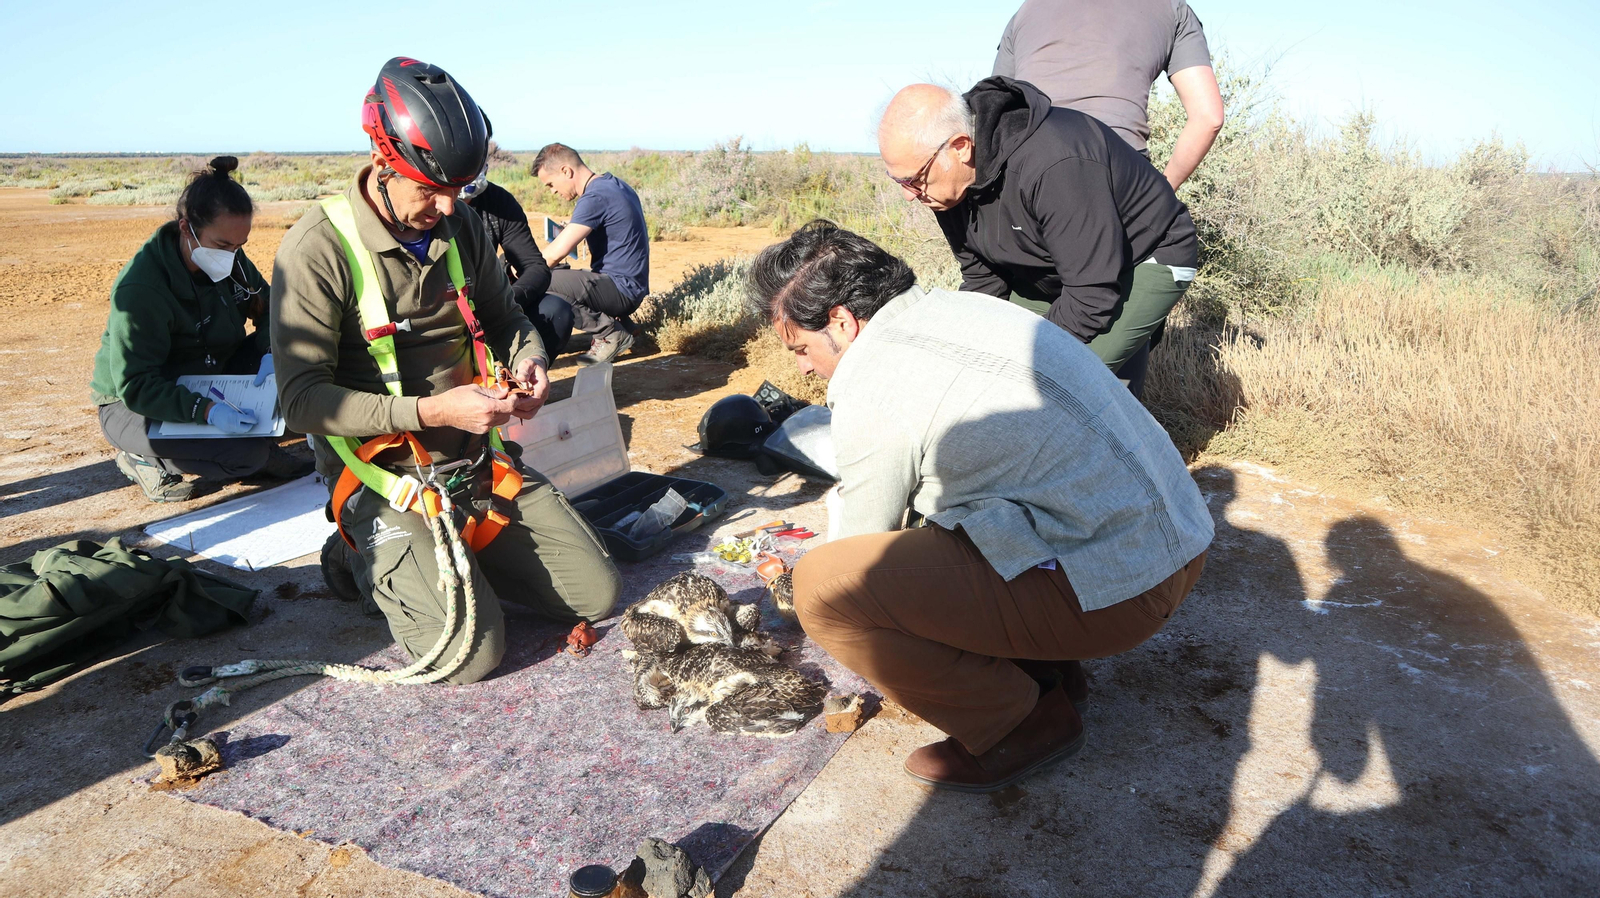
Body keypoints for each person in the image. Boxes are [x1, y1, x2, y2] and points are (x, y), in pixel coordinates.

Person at [749, 221, 1213, 793]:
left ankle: (1016, 724)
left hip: (1124, 596)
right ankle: (1047, 673)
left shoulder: (871, 379)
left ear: (843, 323)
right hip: (1178, 548)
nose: (801, 368)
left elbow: (858, 548)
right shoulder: (957, 310)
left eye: (802, 348)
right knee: (950, 517)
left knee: (825, 588)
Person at [270, 57, 620, 685]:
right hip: (386, 475)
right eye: (428, 190)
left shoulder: (460, 224)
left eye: (458, 188)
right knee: (471, 656)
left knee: (595, 595)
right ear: (383, 164)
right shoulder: (316, 248)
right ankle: (354, 559)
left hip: (475, 464)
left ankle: (457, 557)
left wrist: (531, 361)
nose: (446, 205)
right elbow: (300, 401)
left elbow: (505, 316)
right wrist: (431, 412)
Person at [878, 78, 1199, 398]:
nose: (909, 195)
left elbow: (1091, 293)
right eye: (900, 181)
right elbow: (983, 278)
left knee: (1064, 382)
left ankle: (1121, 399)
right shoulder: (945, 183)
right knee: (992, 362)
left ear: (961, 147)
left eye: (914, 180)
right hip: (1058, 266)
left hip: (1144, 255)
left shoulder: (1054, 162)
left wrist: (1025, 368)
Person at [90, 156, 306, 503]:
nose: (232, 255)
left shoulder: (229, 258)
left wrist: (269, 351)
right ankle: (144, 459)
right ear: (186, 227)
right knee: (245, 457)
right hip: (137, 404)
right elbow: (137, 385)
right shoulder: (142, 289)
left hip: (212, 375)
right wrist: (205, 411)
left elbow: (271, 308)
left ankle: (257, 445)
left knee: (305, 405)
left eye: (240, 246)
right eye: (223, 246)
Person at [993, 0, 1224, 191]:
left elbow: (993, 111)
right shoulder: (1173, 8)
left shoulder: (1026, 11)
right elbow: (1209, 118)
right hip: (1118, 170)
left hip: (1028, 171)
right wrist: (1162, 192)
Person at [532, 143, 650, 366]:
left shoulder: (595, 197)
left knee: (543, 279)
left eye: (551, 184)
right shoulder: (614, 185)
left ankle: (609, 333)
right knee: (557, 273)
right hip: (630, 285)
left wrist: (524, 273)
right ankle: (623, 324)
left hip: (622, 290)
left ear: (566, 171)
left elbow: (557, 251)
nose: (553, 191)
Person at [458, 162, 575, 357]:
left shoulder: (499, 202)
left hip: (487, 307)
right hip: (443, 313)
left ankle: (519, 381)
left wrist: (507, 300)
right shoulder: (423, 204)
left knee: (555, 311)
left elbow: (535, 267)